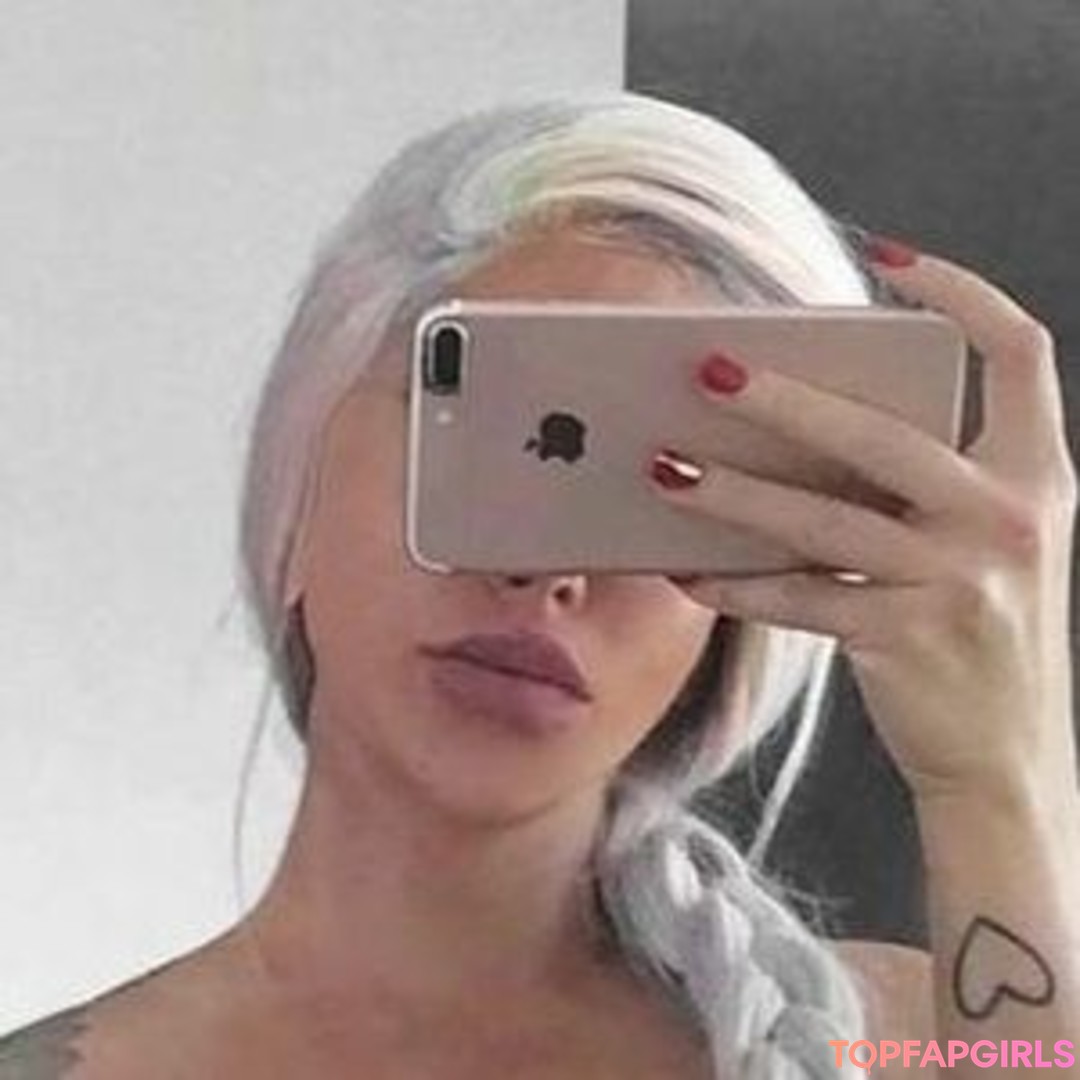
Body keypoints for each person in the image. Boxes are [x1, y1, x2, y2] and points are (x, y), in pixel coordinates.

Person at [1, 90, 1077, 1079]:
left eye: (659, 484)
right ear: (298, 473)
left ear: (741, 617)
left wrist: (996, 773)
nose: (548, 572)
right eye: (493, 446)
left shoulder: (913, 1043)